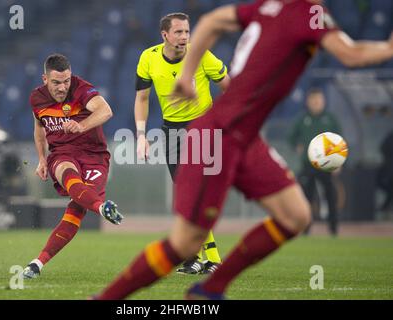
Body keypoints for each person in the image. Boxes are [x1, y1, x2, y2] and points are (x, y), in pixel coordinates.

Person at [95, 0, 393, 300]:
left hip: (243, 135)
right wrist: (388, 49)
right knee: (186, 243)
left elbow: (212, 20)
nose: (184, 36)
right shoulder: (308, 12)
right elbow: (350, 54)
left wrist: (186, 76)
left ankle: (209, 289)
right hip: (220, 134)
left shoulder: (269, 6)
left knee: (296, 216)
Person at [135, 12, 231, 274]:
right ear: (164, 35)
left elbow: (229, 87)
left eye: (187, 32)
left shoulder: (202, 54)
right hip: (171, 132)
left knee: (197, 193)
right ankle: (195, 258)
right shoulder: (148, 58)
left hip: (203, 128)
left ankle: (211, 258)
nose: (184, 37)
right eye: (178, 32)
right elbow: (142, 99)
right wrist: (142, 137)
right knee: (186, 198)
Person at [22, 54, 123, 279]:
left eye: (66, 81)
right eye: (56, 82)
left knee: (77, 209)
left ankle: (38, 263)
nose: (63, 87)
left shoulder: (81, 89)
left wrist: (82, 125)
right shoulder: (36, 99)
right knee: (67, 172)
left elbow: (106, 111)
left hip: (94, 156)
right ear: (45, 79)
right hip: (62, 153)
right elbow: (39, 130)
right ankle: (101, 208)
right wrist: (41, 159)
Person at [289, 88, 342, 235]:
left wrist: (338, 163)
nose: (316, 103)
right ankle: (306, 229)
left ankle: (333, 228)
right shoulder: (302, 119)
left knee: (331, 195)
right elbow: (291, 137)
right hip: (308, 164)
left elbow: (340, 141)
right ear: (308, 102)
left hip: (327, 165)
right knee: (306, 197)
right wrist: (296, 145)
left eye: (319, 100)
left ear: (323, 101)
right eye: (313, 100)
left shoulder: (330, 119)